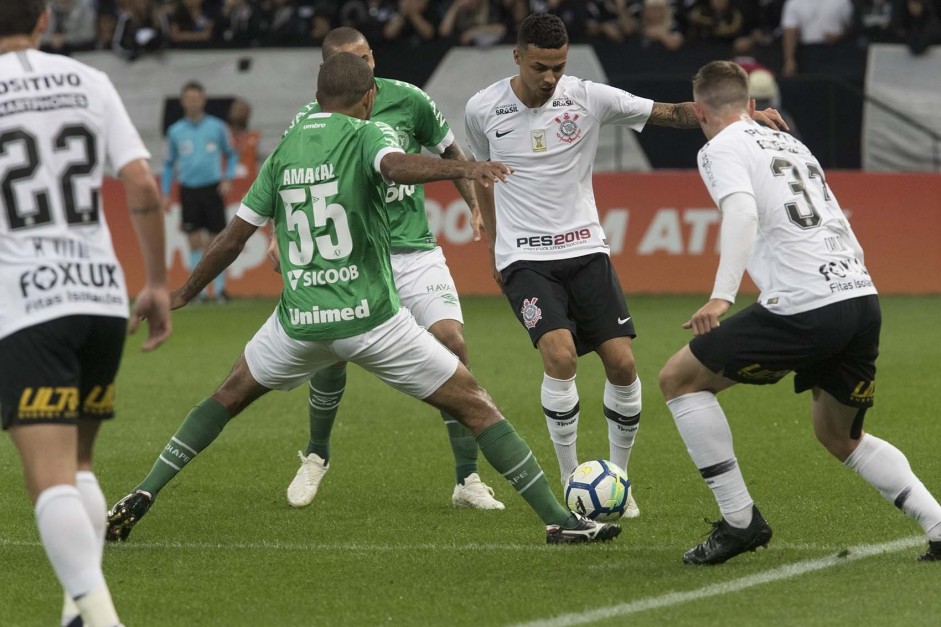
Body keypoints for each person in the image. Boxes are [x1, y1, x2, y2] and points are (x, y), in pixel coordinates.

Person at [105, 52, 621, 546]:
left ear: (316, 95)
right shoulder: (366, 131)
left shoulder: (285, 148)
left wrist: (183, 293)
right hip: (370, 320)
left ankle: (144, 489)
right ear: (369, 98)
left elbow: (235, 237)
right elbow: (396, 167)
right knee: (476, 405)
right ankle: (558, 521)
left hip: (299, 322)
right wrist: (464, 169)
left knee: (225, 396)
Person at [464, 13, 786, 519]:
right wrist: (493, 247)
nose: (551, 78)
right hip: (525, 258)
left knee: (623, 365)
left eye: (559, 67)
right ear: (518, 57)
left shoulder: (588, 96)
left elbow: (674, 113)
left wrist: (742, 120)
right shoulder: (482, 109)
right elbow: (483, 175)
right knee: (561, 355)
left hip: (586, 249)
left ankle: (618, 479)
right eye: (541, 67)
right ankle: (571, 478)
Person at [658, 60, 941, 565]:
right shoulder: (790, 140)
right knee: (840, 435)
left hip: (805, 303)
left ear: (699, 110)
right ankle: (939, 525)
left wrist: (723, 295)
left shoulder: (717, 148)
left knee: (679, 379)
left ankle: (741, 522)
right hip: (859, 296)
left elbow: (742, 211)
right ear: (750, 103)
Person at [275, 27, 503, 510]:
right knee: (332, 352)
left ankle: (467, 480)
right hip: (352, 256)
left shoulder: (411, 100)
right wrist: (277, 236)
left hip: (413, 250)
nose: (359, 68)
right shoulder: (310, 117)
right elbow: (285, 180)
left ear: (373, 58)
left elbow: (450, 153)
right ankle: (316, 455)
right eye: (345, 61)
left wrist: (474, 205)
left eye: (363, 57)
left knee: (453, 342)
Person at [0, 2, 172, 625]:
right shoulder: (89, 81)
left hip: (26, 301)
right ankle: (76, 614)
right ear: (46, 19)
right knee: (79, 466)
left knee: (48, 479)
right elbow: (143, 186)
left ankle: (100, 618)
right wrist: (154, 281)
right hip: (101, 294)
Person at [162, 80, 238, 303]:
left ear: (203, 100)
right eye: (189, 99)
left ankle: (221, 290)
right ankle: (199, 293)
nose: (193, 103)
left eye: (197, 98)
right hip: (189, 190)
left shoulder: (217, 127)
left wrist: (228, 178)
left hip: (212, 187)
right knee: (194, 241)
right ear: (183, 102)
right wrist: (165, 192)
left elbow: (232, 154)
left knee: (217, 241)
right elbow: (167, 164)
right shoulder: (175, 131)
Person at [227, 97, 261, 180]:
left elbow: (261, 159)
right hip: (228, 181)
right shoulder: (224, 135)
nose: (239, 114)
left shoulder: (255, 136)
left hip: (250, 181)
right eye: (237, 110)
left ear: (248, 114)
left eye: (242, 111)